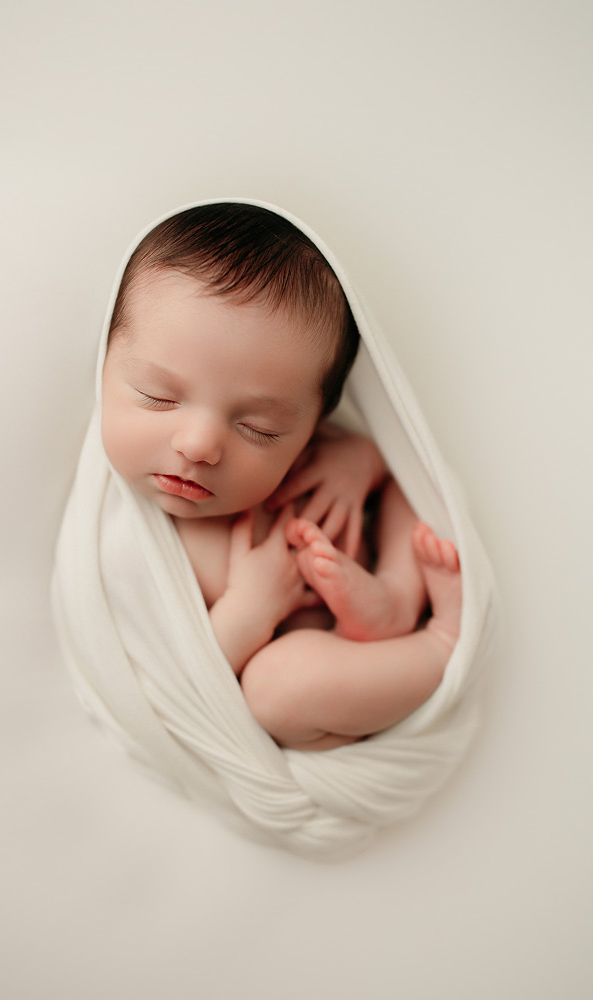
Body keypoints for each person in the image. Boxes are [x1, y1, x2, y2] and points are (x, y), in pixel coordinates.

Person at [100, 203, 462, 752]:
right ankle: (439, 644)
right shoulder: (119, 542)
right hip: (329, 668)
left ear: (313, 423)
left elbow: (393, 466)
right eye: (158, 397)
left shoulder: (320, 448)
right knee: (277, 689)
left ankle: (398, 594)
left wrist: (363, 462)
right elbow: (167, 694)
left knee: (409, 488)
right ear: (102, 363)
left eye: (258, 428)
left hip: (367, 593)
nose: (198, 445)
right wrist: (251, 609)